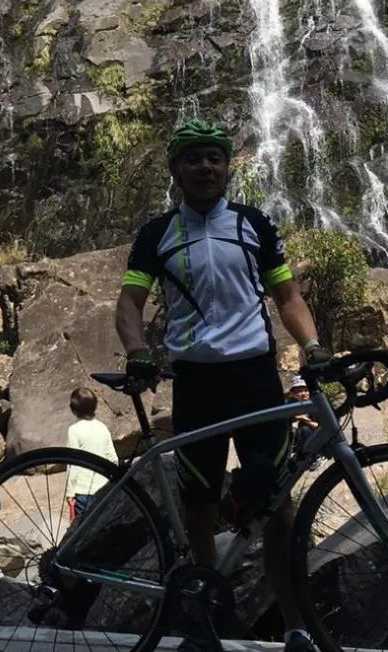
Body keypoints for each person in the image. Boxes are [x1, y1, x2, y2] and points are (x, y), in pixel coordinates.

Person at [116, 119, 325, 652]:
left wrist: (313, 347)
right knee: (200, 512)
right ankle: (207, 621)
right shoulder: (156, 234)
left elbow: (288, 298)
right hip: (196, 384)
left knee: (279, 509)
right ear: (176, 171)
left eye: (214, 157)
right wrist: (138, 350)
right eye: (194, 159)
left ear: (228, 166)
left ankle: (297, 625)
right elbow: (129, 306)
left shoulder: (255, 223)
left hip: (255, 380)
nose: (205, 167)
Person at [65, 387, 118, 519]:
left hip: (83, 490)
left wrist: (70, 491)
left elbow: (73, 465)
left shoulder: (74, 430)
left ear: (73, 410)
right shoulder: (102, 427)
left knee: (84, 528)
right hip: (103, 487)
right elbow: (113, 457)